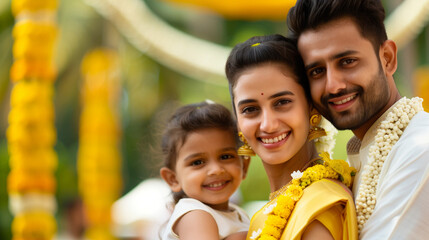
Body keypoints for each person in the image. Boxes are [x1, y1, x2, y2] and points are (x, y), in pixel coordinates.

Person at [287, 0, 429, 239]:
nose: (334, 86)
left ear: (387, 58)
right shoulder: (362, 154)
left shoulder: (419, 149)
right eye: (317, 71)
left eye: (347, 62)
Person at [225, 34, 358, 240]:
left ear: (312, 105)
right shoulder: (265, 215)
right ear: (238, 122)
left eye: (282, 102)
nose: (268, 124)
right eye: (250, 109)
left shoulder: (319, 206)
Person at [159, 101, 251, 240]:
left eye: (225, 157)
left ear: (244, 166)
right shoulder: (194, 214)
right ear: (173, 178)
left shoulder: (239, 213)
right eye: (198, 162)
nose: (216, 170)